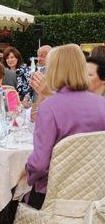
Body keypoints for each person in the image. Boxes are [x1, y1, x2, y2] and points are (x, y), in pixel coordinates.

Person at [25, 44, 105, 209]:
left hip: (54, 197)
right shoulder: (101, 104)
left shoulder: (50, 107)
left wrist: (27, 173)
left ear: (53, 70)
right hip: (95, 195)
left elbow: (39, 165)